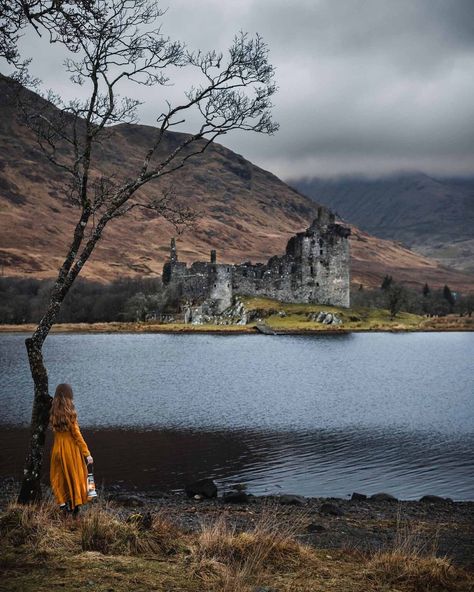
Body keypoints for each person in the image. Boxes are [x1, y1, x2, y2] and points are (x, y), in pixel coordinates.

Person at [50, 383, 93, 515]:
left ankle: (63, 504)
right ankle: (74, 509)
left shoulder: (53, 413)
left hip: (57, 451)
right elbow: (77, 436)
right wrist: (87, 454)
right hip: (71, 452)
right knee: (74, 478)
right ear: (70, 398)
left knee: (58, 477)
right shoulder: (71, 414)